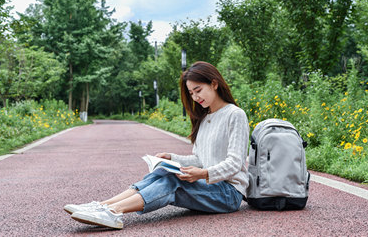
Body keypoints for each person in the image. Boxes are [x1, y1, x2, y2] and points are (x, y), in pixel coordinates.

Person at [65, 61, 249, 229]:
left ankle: (113, 212)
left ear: (214, 84)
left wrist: (203, 174)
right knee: (163, 170)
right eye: (191, 93)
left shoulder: (235, 115)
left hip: (228, 194)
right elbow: (201, 159)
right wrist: (172, 158)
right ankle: (103, 205)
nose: (194, 98)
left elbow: (235, 163)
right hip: (209, 185)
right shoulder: (204, 117)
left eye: (198, 90)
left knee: (173, 180)